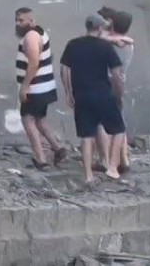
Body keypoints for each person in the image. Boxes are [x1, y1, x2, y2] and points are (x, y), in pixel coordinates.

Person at [59, 15, 127, 183]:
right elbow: (117, 74)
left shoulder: (73, 44)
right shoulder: (105, 46)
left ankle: (88, 175)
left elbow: (64, 69)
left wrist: (68, 92)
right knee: (119, 129)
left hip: (81, 95)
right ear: (100, 29)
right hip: (103, 94)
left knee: (86, 135)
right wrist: (119, 95)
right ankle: (112, 167)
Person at [15, 7, 68, 169]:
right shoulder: (40, 32)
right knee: (40, 119)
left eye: (21, 20)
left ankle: (40, 159)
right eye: (16, 20)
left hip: (35, 88)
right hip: (43, 86)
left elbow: (33, 63)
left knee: (28, 119)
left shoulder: (31, 36)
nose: (18, 24)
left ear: (31, 21)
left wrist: (25, 87)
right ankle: (58, 149)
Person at [96, 6, 136, 173]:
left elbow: (98, 36)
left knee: (101, 123)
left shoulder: (106, 43)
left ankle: (106, 160)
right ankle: (124, 159)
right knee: (119, 122)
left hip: (106, 82)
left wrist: (110, 35)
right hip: (120, 83)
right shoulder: (128, 45)